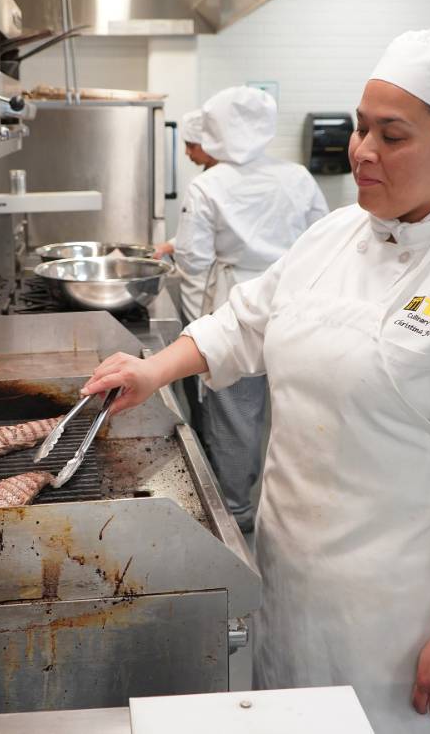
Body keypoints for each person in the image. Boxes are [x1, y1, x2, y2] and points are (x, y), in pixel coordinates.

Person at [82, 25, 430, 733]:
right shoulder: (336, 236)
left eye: (392, 135)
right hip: (291, 588)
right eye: (359, 127)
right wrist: (152, 368)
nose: (362, 151)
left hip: (408, 629)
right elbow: (248, 318)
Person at [160, 86, 328, 532]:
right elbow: (322, 242)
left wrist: (196, 333)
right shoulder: (297, 177)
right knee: (299, 415)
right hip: (299, 308)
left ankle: (235, 515)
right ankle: (297, 516)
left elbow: (194, 263)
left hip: (235, 307)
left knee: (236, 419)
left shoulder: (208, 185)